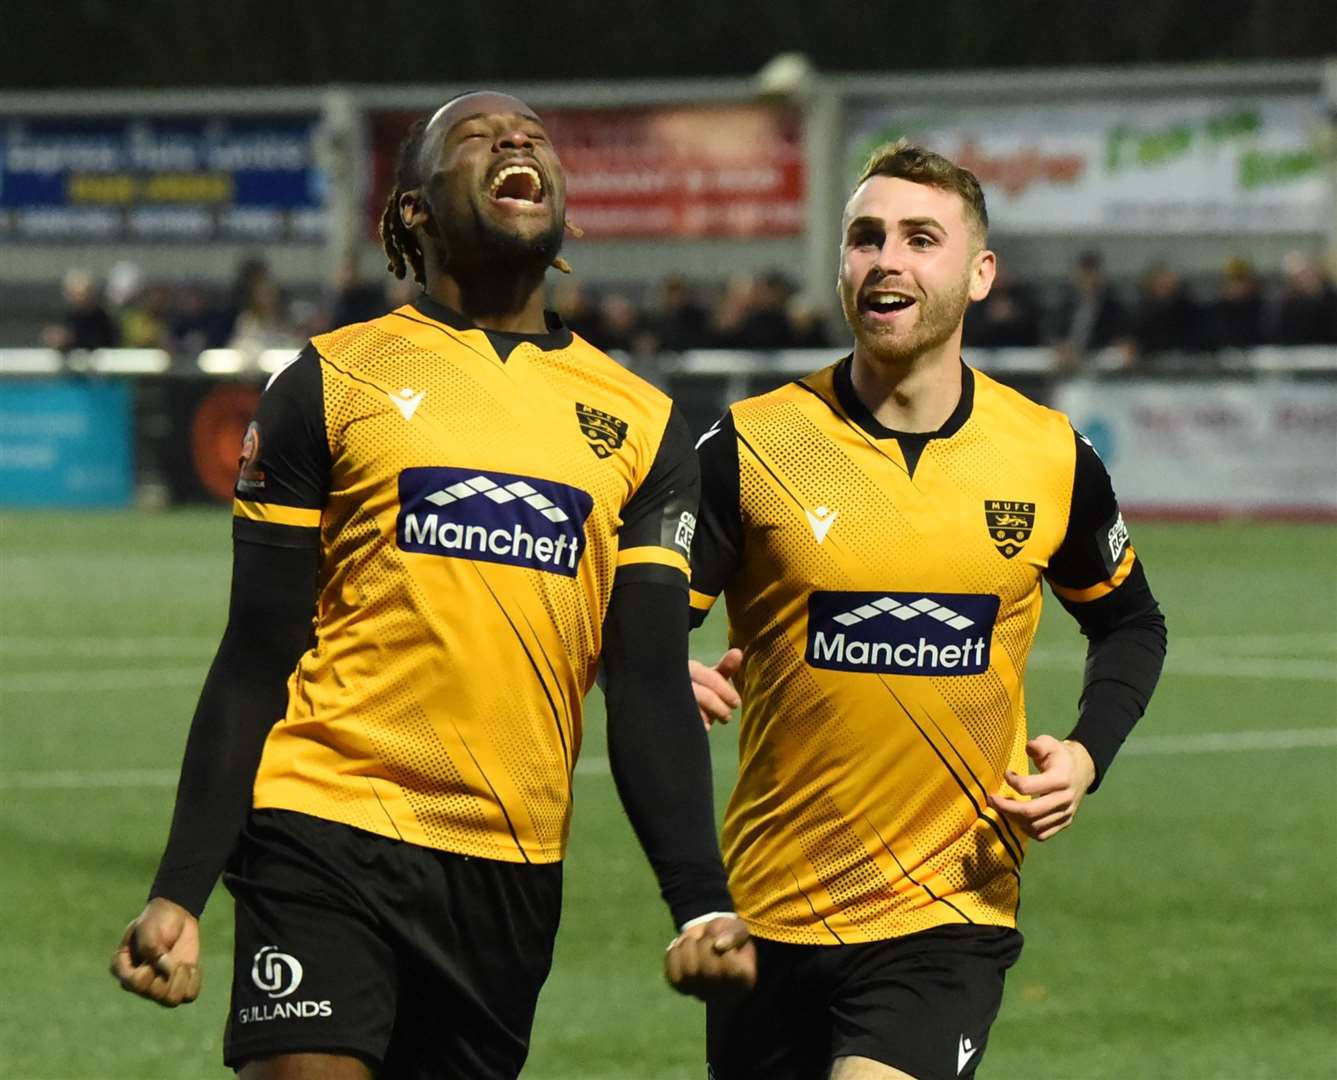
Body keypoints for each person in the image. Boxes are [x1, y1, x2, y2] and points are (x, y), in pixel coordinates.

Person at [109, 91, 754, 1079]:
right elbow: (256, 657)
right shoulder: (329, 382)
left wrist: (700, 901)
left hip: (508, 865)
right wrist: (179, 890)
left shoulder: (645, 425)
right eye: (476, 137)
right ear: (412, 210)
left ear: (567, 215)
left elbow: (648, 684)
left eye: (533, 137)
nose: (514, 141)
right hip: (325, 822)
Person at [687, 142, 1166, 1080]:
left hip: (949, 908)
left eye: (920, 238)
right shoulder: (751, 445)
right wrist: (660, 661)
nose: (886, 260)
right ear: (841, 267)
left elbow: (1130, 623)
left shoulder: (1047, 455)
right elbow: (646, 612)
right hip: (772, 907)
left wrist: (1085, 753)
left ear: (978, 273)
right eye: (865, 238)